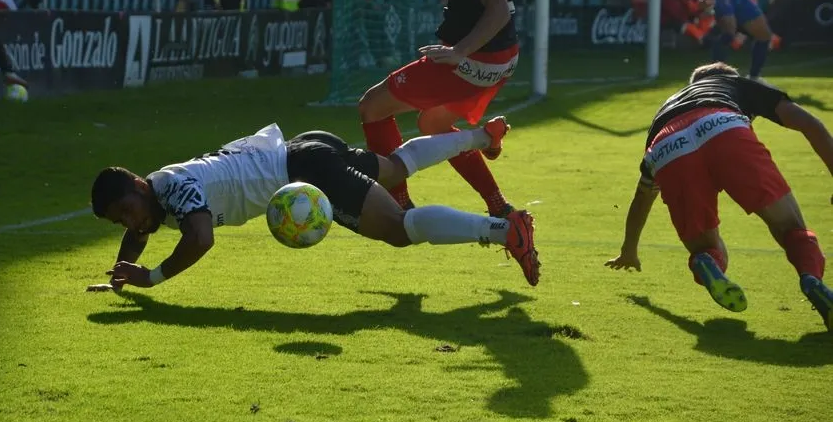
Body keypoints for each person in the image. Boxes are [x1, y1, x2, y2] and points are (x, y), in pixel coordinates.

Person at [356, 0, 533, 283]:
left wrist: (457, 53)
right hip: (500, 54)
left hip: (476, 56)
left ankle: (399, 207)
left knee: (372, 107)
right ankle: (501, 206)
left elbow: (497, 9)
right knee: (434, 125)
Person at [87, 117, 539, 292]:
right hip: (304, 148)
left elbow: (200, 238)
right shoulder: (154, 196)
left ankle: (507, 231)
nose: (130, 222)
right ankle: (480, 136)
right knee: (396, 168)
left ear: (138, 185)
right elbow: (138, 231)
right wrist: (120, 274)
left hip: (305, 173)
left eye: (126, 209)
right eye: (119, 220)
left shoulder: (172, 188)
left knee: (400, 229)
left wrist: (152, 277)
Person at [605, 63, 833, 331]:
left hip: (667, 146)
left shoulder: (667, 108)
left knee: (707, 249)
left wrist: (629, 250)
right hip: (723, 126)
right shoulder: (735, 83)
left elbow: (642, 196)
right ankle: (811, 278)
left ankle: (706, 261)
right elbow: (809, 123)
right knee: (790, 227)